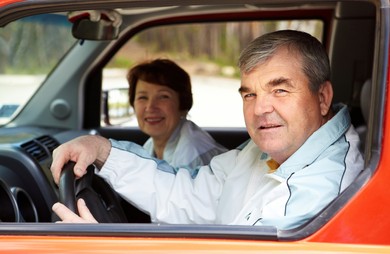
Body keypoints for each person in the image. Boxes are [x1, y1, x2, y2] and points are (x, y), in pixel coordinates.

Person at [51, 30, 364, 230]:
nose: (260, 109)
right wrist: (103, 151)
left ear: (322, 98)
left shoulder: (325, 188)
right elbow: (186, 193)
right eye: (250, 94)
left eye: (280, 91)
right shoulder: (268, 151)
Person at [126, 58, 227, 169]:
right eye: (142, 97)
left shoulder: (193, 158)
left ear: (183, 103)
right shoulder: (152, 145)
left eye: (163, 96)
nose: (150, 107)